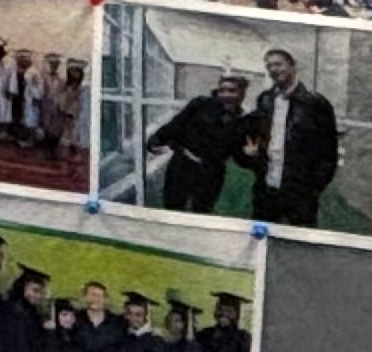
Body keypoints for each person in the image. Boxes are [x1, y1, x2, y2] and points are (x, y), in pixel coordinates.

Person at [245, 46, 342, 228]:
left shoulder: (315, 104)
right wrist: (253, 155)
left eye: (278, 64)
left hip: (300, 193)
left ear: (292, 66)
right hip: (267, 189)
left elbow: (328, 152)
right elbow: (253, 133)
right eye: (269, 66)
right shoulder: (265, 100)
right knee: (261, 241)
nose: (273, 69)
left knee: (299, 244)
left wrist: (313, 189)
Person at [142, 75, 248, 215]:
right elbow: (177, 124)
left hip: (212, 173)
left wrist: (249, 154)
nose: (226, 95)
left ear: (241, 94)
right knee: (172, 209)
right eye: (222, 90)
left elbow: (239, 155)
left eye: (232, 91)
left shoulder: (243, 122)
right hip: (183, 165)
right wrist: (156, 139)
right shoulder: (201, 104)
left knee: (202, 213)